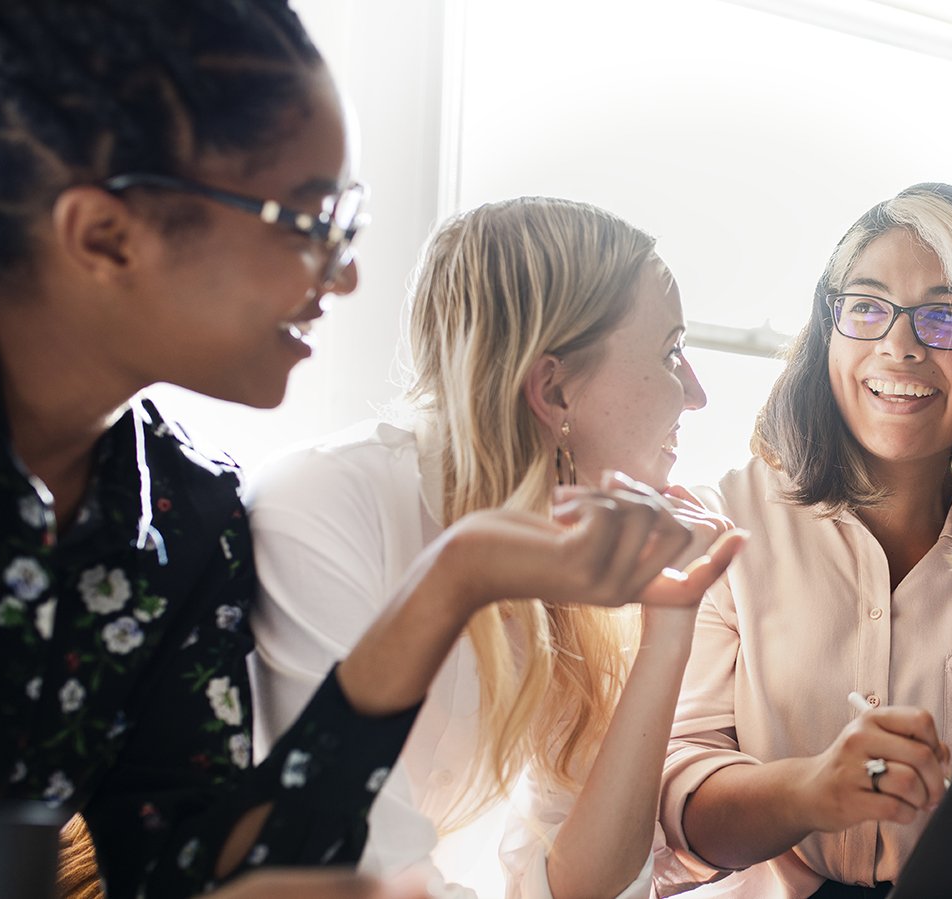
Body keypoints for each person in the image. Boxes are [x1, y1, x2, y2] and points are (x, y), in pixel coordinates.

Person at [0, 3, 723, 897]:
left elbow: (182, 862)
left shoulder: (187, 518)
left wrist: (454, 577)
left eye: (347, 221)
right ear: (105, 235)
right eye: (307, 220)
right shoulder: (293, 502)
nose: (345, 274)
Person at [248, 197, 744, 898]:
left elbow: (580, 885)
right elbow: (351, 863)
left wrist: (670, 626)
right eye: (670, 352)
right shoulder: (324, 504)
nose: (695, 394)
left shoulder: (572, 567)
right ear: (552, 388)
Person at [656, 182, 952, 897]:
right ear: (828, 329)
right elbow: (675, 804)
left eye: (945, 316)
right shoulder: (725, 528)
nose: (898, 346)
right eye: (866, 308)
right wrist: (808, 789)